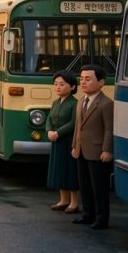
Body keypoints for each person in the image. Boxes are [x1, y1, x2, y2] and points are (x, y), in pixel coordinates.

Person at [71, 64, 114, 230]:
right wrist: (75, 146)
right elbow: (78, 126)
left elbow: (110, 129)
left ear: (101, 82)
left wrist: (107, 149)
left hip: (98, 151)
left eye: (88, 79)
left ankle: (101, 219)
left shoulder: (106, 103)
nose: (83, 82)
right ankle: (87, 214)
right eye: (81, 79)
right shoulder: (81, 100)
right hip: (81, 150)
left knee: (99, 187)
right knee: (85, 185)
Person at [47, 70, 80, 213]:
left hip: (68, 141)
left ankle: (74, 202)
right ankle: (63, 200)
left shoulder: (75, 103)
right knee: (59, 170)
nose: (58, 87)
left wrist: (58, 133)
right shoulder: (55, 102)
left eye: (62, 84)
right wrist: (49, 131)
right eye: (56, 84)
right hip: (56, 141)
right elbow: (49, 119)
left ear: (72, 87)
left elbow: (74, 123)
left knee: (70, 171)